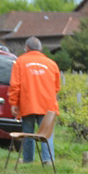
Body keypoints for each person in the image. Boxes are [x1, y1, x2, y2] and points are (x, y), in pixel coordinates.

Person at [8, 36, 60, 165]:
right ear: (41, 48)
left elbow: (15, 85)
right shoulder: (51, 63)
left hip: (28, 104)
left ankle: (28, 159)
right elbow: (57, 87)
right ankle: (48, 160)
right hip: (47, 105)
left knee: (28, 133)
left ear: (26, 48)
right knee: (46, 134)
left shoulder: (20, 62)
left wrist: (14, 103)